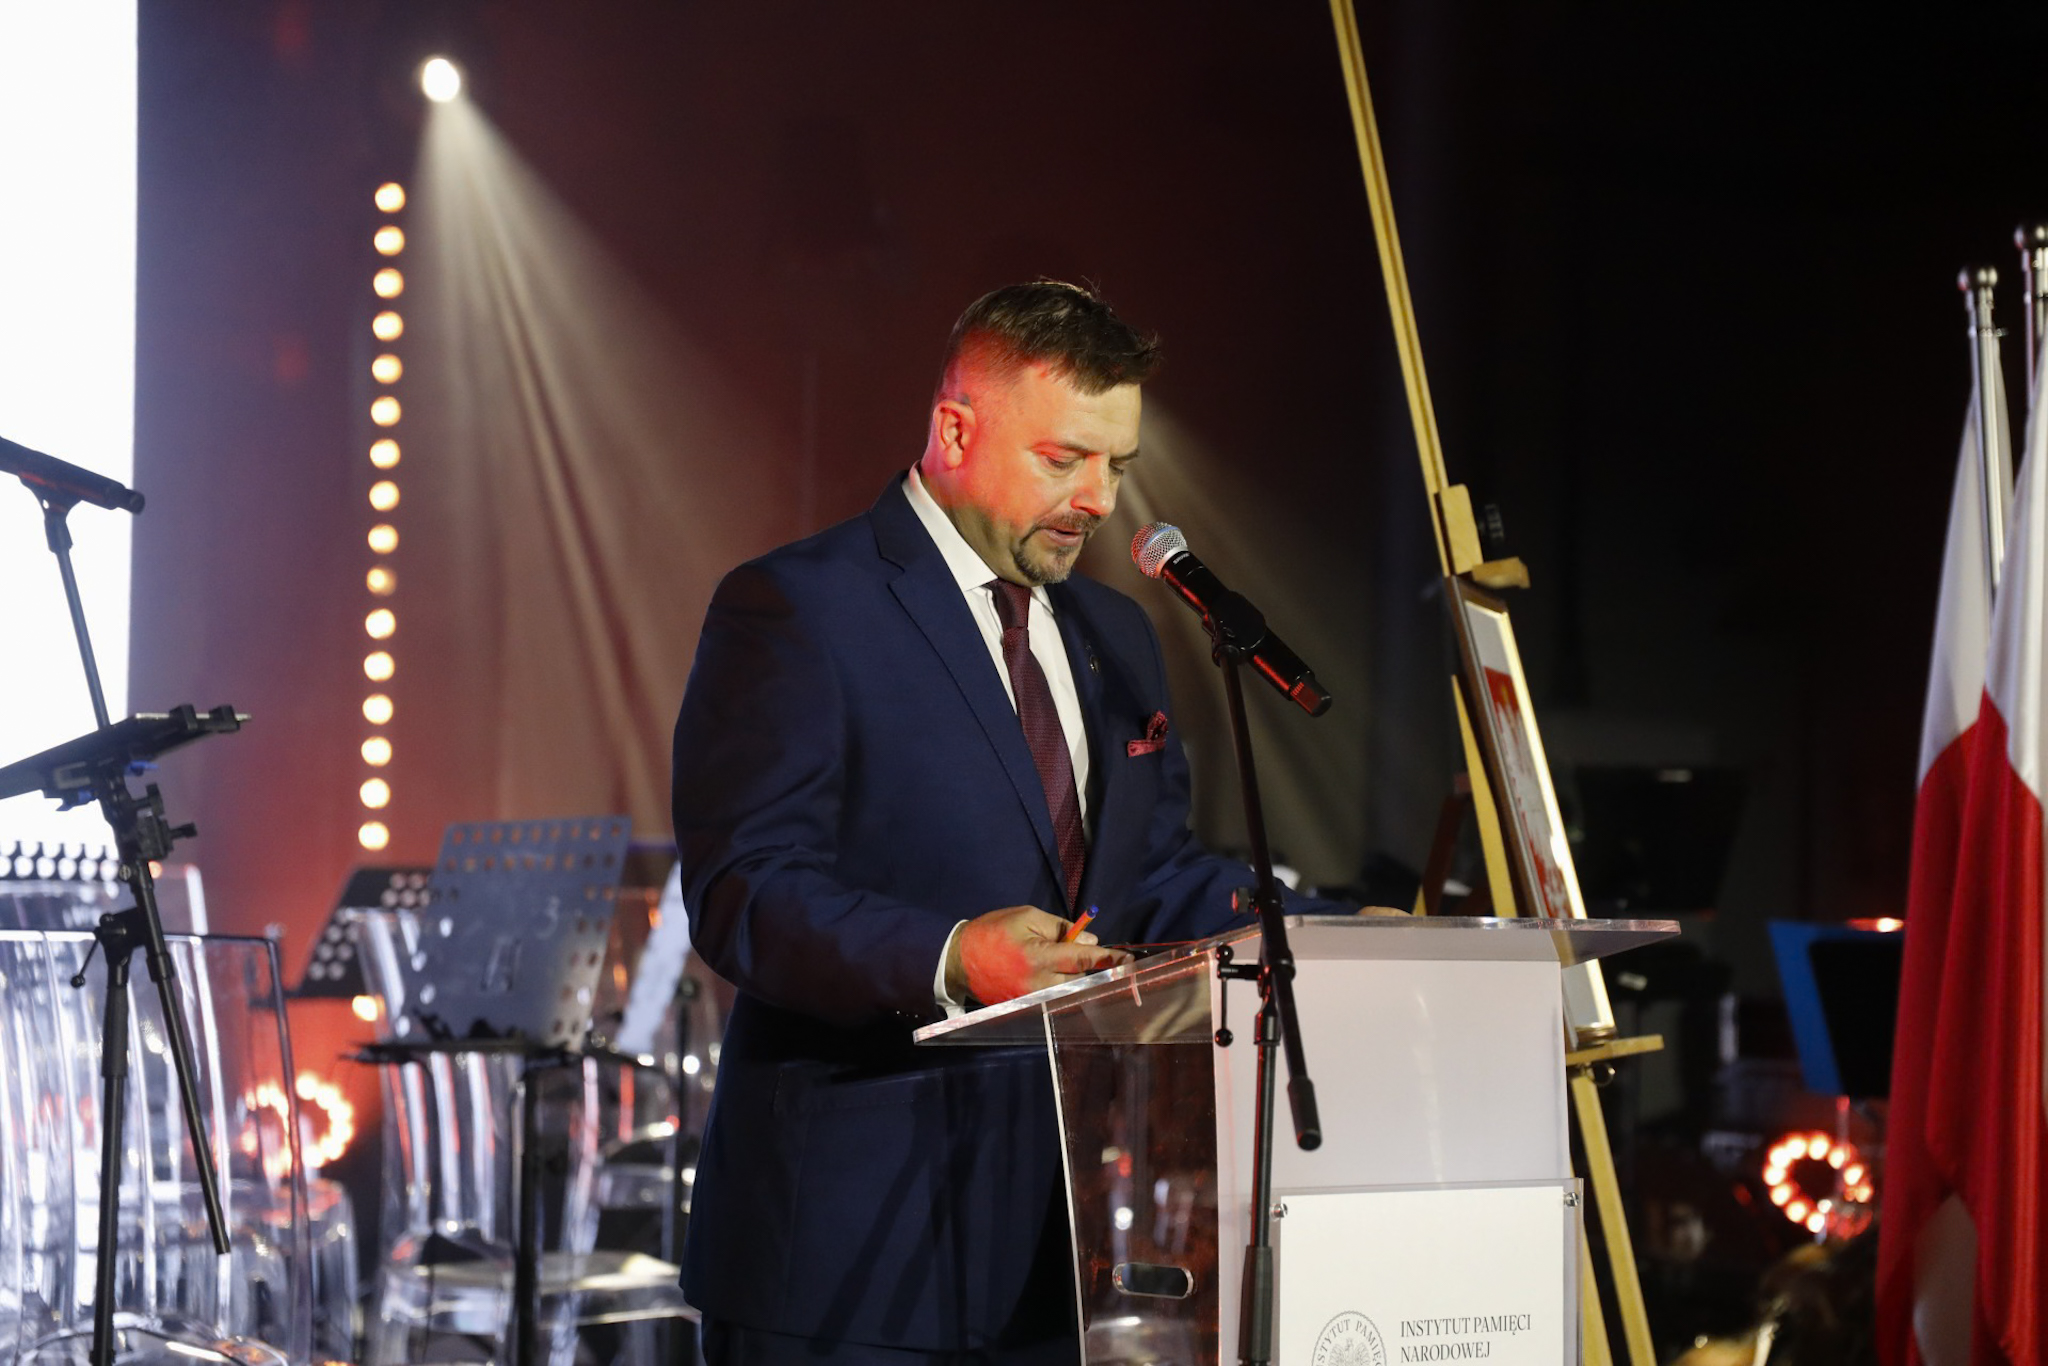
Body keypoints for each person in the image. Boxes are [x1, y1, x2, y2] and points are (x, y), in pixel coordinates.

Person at [672, 281, 1346, 1364]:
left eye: (1117, 465)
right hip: (840, 1258)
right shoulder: (799, 606)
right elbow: (743, 891)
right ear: (954, 430)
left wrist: (1327, 928)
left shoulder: (1116, 633)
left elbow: (1147, 877)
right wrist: (951, 955)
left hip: (1052, 1249)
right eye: (1063, 458)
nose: (1099, 498)